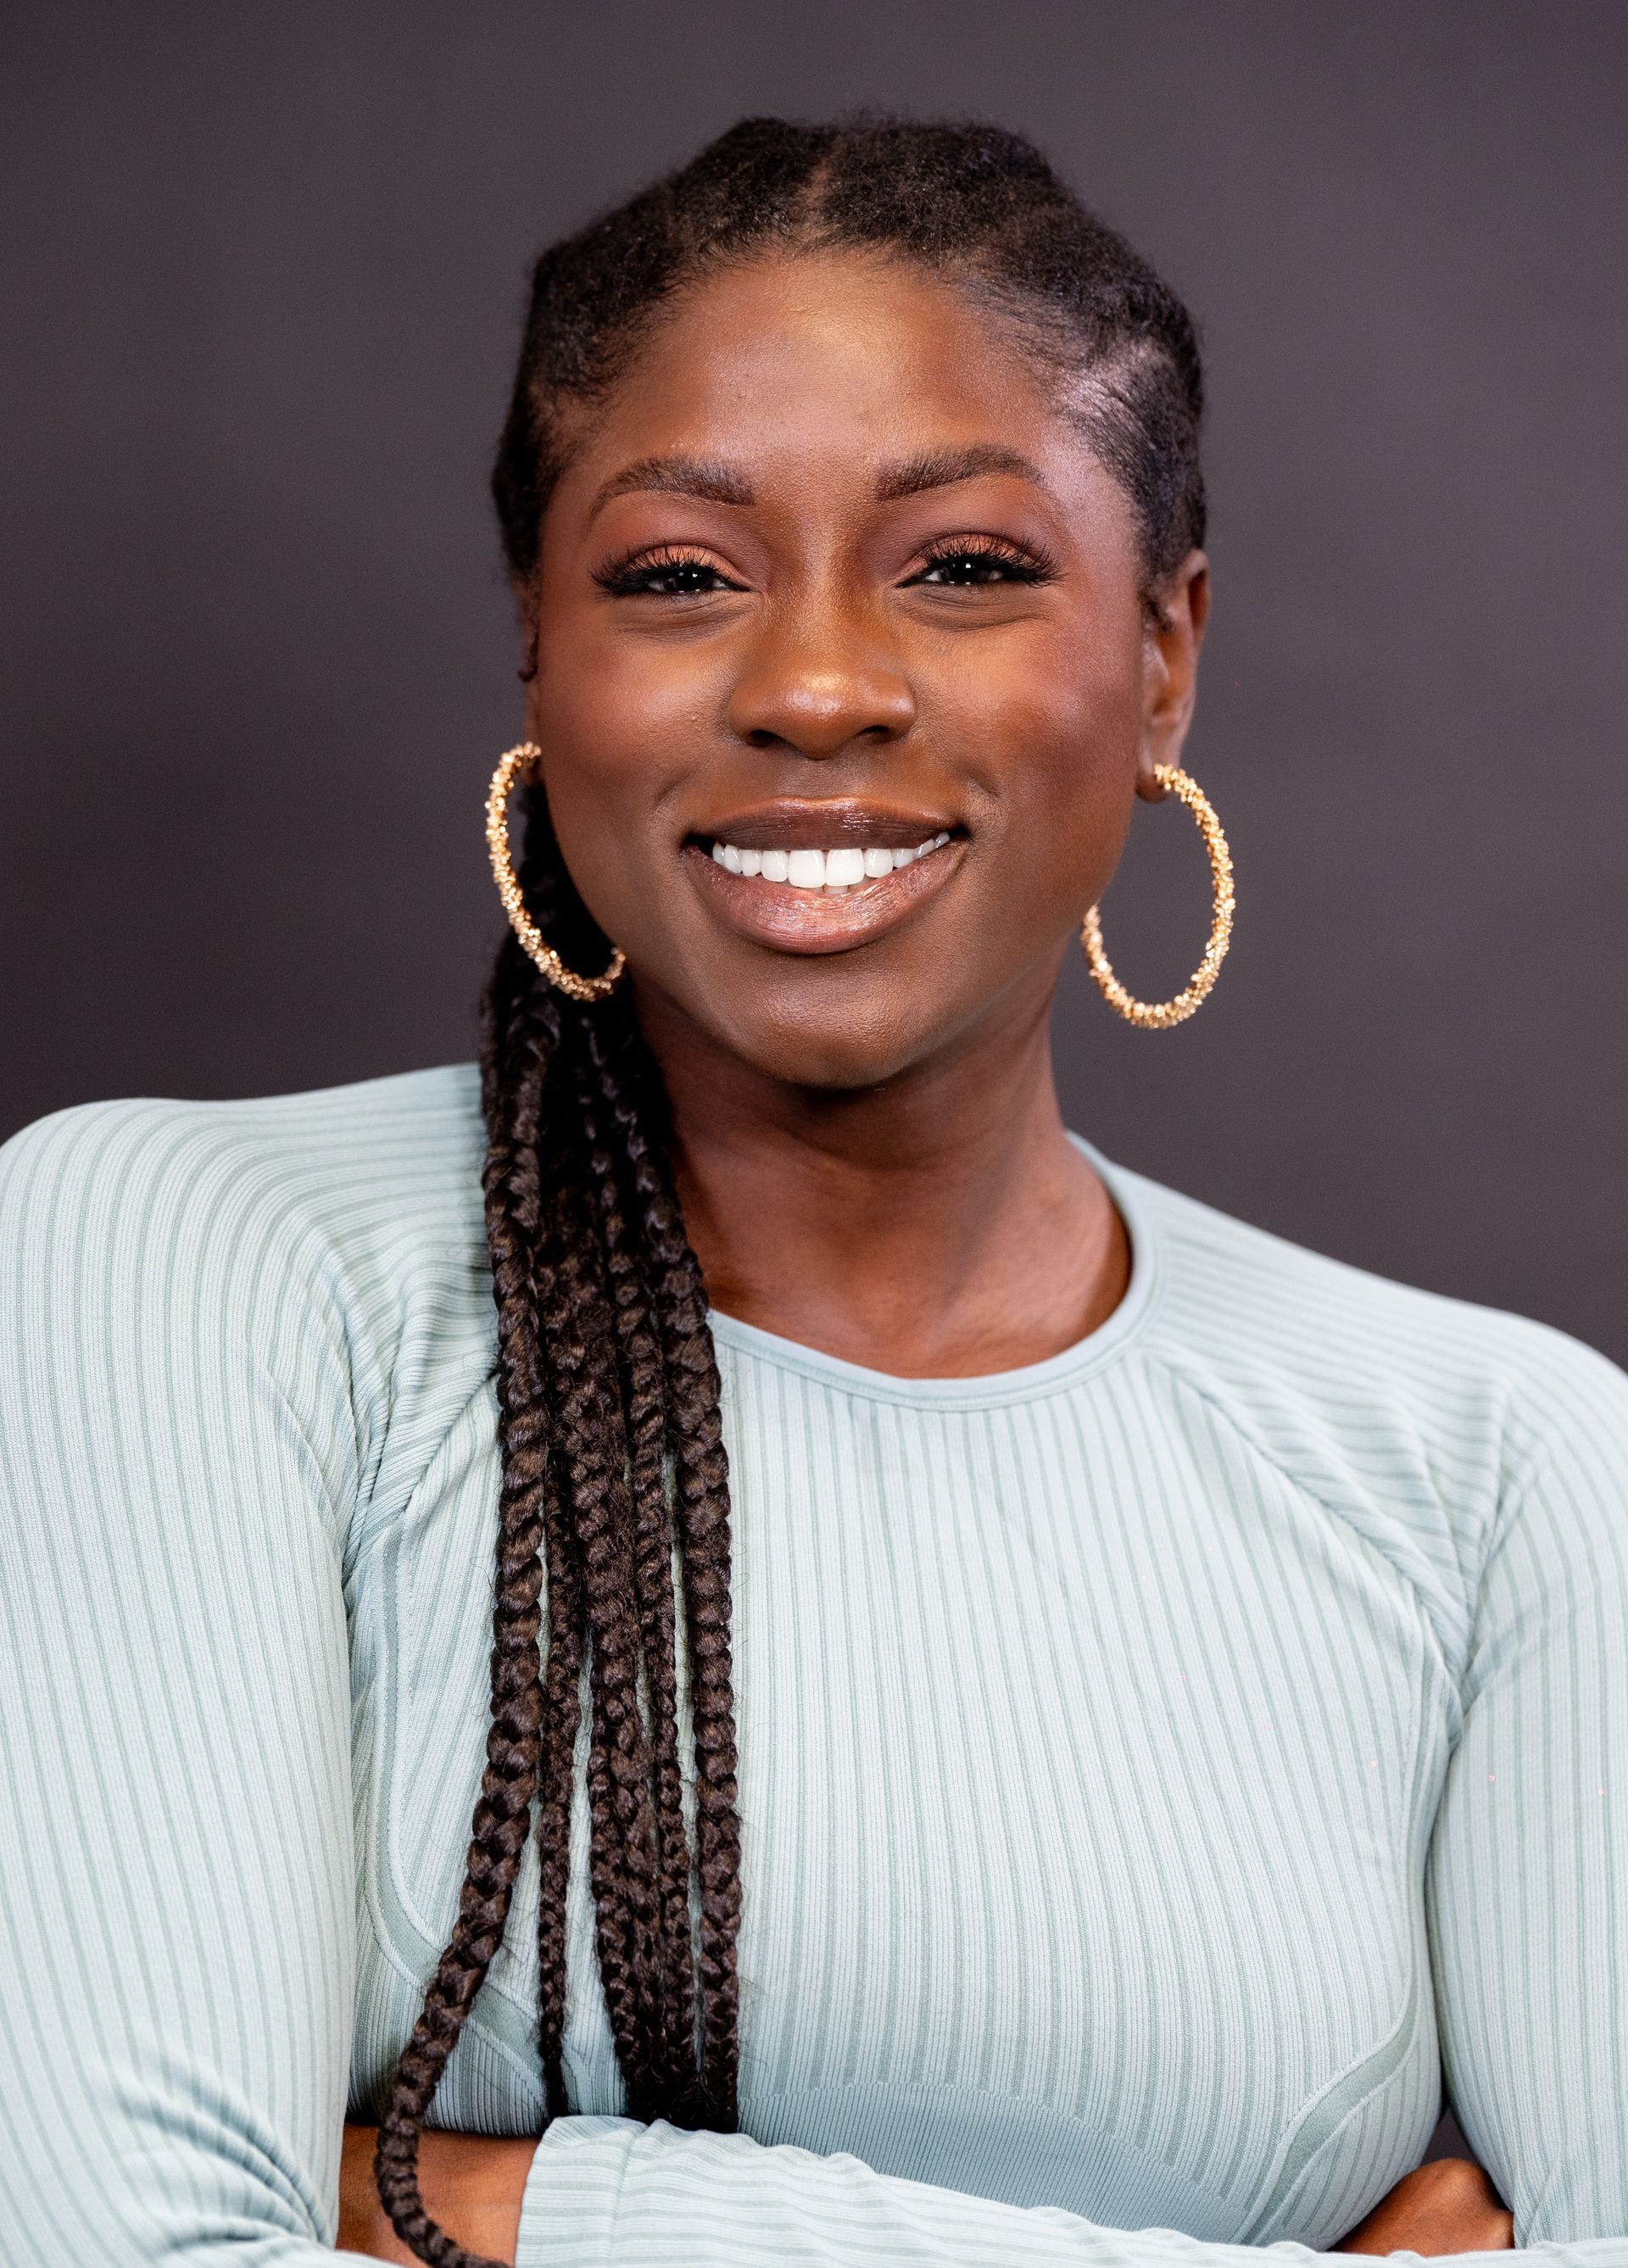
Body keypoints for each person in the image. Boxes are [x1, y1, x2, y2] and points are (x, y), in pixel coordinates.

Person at [1, 115, 1622, 2268]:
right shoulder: (187, 1263)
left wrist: (497, 2202)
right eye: (680, 576)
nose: (818, 687)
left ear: (1166, 655)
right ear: (539, 650)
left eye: (965, 565)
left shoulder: (1501, 1467)